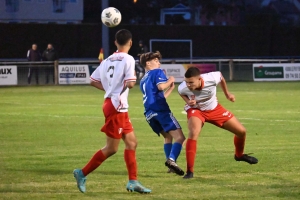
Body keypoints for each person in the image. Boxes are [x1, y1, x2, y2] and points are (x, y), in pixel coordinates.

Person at [73, 29, 151, 194]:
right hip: (117, 106)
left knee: (131, 143)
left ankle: (133, 181)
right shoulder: (128, 59)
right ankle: (82, 173)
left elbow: (92, 81)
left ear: (115, 42)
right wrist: (133, 78)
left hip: (113, 104)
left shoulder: (107, 60)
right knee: (111, 148)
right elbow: (130, 83)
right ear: (130, 42)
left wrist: (109, 90)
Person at [178, 67, 258, 179]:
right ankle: (189, 172)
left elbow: (221, 77)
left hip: (215, 109)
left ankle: (239, 155)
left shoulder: (211, 78)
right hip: (197, 110)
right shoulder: (183, 87)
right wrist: (188, 102)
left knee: (241, 131)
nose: (188, 85)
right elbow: (180, 92)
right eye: (186, 82)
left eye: (191, 82)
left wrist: (227, 94)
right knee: (194, 132)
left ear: (199, 79)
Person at [139, 51, 185, 176]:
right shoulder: (157, 72)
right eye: (156, 60)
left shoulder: (143, 79)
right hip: (160, 111)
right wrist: (170, 80)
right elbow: (160, 87)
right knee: (180, 137)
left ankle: (170, 166)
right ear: (148, 63)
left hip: (149, 113)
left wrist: (170, 89)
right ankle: (171, 160)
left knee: (167, 136)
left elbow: (159, 96)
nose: (159, 63)